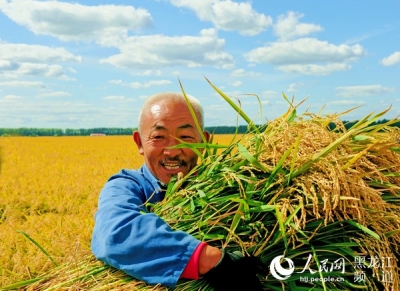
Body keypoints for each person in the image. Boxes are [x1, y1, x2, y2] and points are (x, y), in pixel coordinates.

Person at [91, 92, 264, 290]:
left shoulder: (225, 188)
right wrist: (211, 260)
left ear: (204, 142)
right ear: (139, 142)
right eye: (158, 137)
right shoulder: (126, 185)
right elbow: (116, 233)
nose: (172, 151)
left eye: (185, 137)